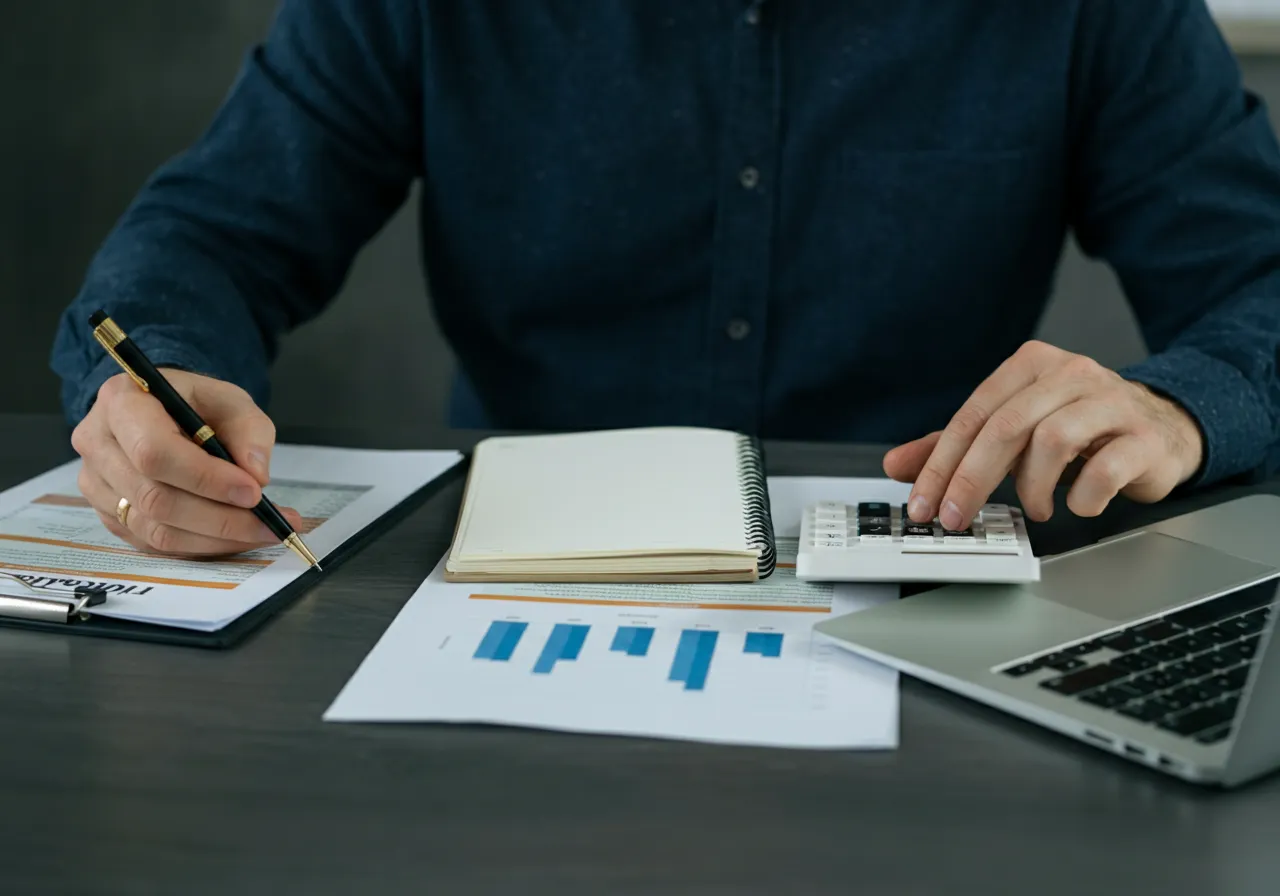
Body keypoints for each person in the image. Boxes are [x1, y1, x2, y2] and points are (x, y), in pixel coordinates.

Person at [50, 0, 1280, 560]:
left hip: (920, 584)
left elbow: (1260, 275)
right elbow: (210, 233)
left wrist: (1184, 399)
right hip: (507, 586)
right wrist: (161, 378)